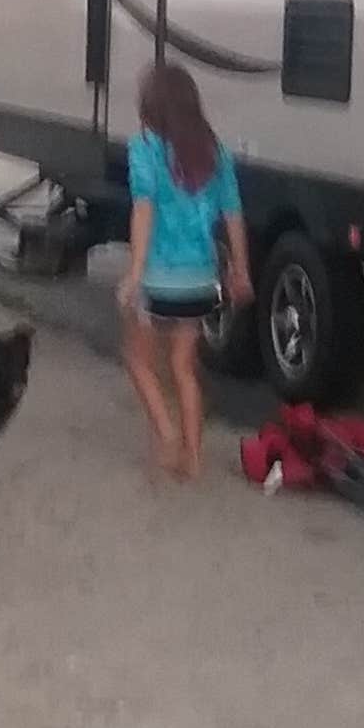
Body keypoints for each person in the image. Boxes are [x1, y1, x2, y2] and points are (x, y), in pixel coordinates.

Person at [119, 64, 254, 479]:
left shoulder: (144, 149)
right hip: (200, 282)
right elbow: (233, 215)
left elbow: (144, 211)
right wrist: (241, 271)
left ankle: (167, 433)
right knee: (183, 366)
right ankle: (194, 457)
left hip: (159, 280)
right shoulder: (215, 152)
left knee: (138, 361)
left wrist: (135, 273)